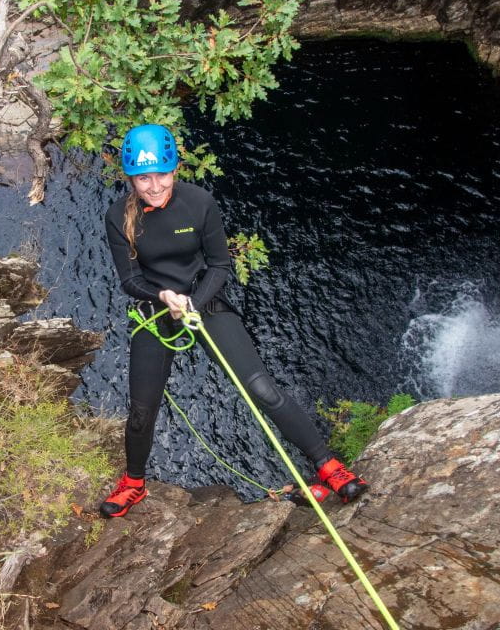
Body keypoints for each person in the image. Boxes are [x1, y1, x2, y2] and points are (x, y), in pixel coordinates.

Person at [100, 123, 368, 518]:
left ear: (175, 169)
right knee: (142, 410)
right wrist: (163, 296)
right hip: (156, 312)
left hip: (204, 302)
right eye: (143, 178)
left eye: (161, 175)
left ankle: (328, 465)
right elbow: (129, 280)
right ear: (131, 179)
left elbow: (219, 265)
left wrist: (193, 302)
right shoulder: (118, 217)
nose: (154, 186)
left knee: (262, 389)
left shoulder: (199, 202)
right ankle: (134, 483)